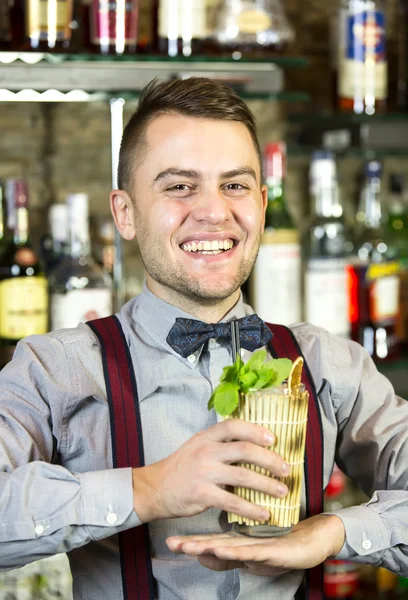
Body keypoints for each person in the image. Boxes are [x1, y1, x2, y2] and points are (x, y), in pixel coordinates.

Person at [0, 76, 407, 600]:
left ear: (261, 204)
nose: (214, 211)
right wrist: (149, 490)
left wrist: (337, 532)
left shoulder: (330, 364)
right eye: (179, 186)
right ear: (125, 212)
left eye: (234, 185)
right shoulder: (52, 368)